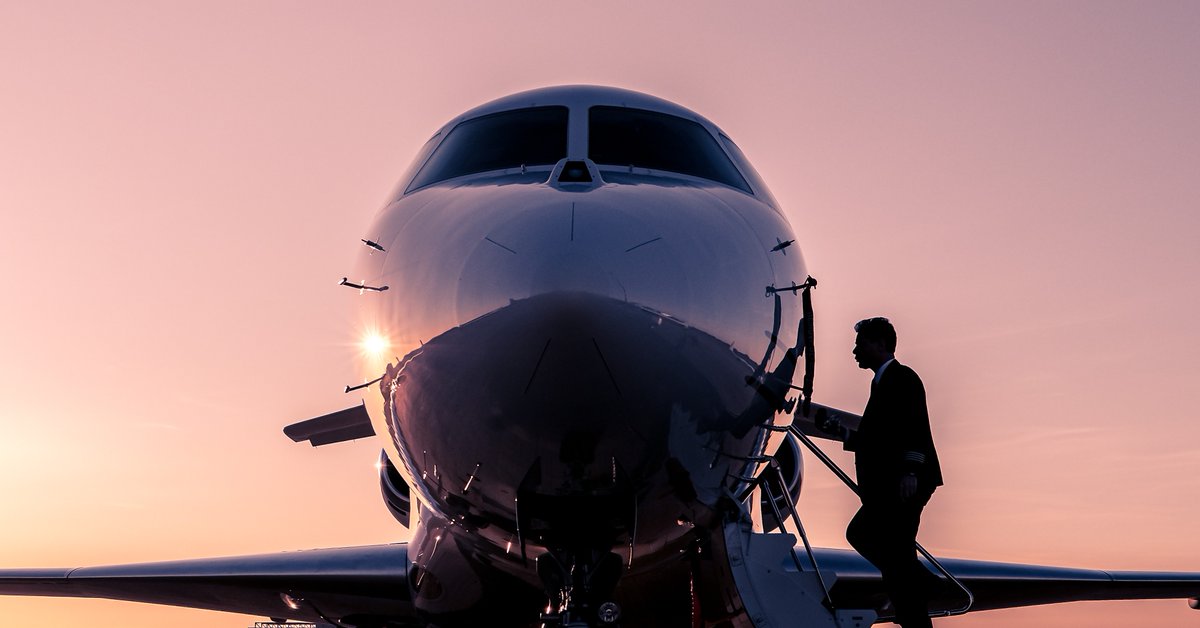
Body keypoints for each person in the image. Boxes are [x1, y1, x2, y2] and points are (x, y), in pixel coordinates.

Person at [826, 317, 943, 627]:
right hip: (889, 485)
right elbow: (881, 438)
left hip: (903, 482)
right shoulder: (880, 382)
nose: (854, 350)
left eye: (860, 343)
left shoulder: (903, 378)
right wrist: (845, 436)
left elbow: (914, 426)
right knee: (891, 551)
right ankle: (918, 589)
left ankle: (917, 594)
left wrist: (910, 470)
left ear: (880, 344)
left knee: (881, 544)